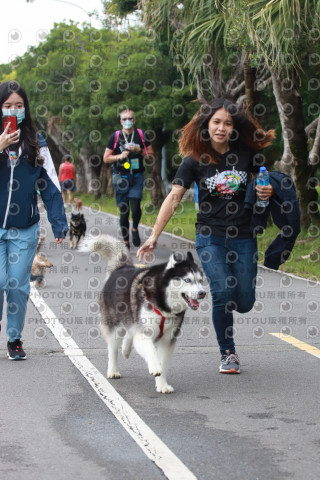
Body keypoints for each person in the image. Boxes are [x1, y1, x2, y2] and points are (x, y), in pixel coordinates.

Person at [137, 98, 275, 374]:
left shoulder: (247, 154)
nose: (221, 128)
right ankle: (228, 352)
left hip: (244, 235)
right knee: (222, 291)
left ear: (234, 127)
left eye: (227, 123)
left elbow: (262, 186)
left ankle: (232, 302)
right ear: (206, 125)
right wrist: (154, 235)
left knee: (245, 302)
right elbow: (174, 197)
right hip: (210, 235)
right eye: (216, 122)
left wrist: (266, 191)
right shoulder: (194, 160)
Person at [0, 80, 68, 360]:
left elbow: (50, 184)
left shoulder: (36, 143)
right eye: (7, 106)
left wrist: (58, 222)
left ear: (25, 109)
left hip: (24, 229)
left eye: (19, 106)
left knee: (16, 285)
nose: (14, 111)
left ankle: (14, 339)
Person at [103, 109, 154, 249]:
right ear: (121, 121)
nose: (127, 121)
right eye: (124, 119)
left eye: (130, 118)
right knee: (124, 211)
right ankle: (126, 241)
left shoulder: (141, 135)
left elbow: (151, 155)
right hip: (121, 178)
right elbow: (105, 158)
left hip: (137, 176)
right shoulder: (115, 137)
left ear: (134, 120)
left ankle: (135, 229)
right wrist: (119, 156)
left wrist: (140, 151)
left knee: (136, 207)